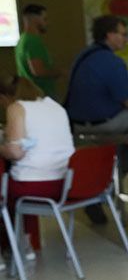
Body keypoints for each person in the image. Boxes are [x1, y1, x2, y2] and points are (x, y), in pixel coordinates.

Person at [0, 76, 74, 254]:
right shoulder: (55, 106)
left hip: (34, 187)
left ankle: (9, 246)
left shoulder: (16, 108)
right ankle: (27, 242)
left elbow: (16, 152)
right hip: (67, 184)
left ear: (4, 98)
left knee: (4, 191)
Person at [64, 15, 128, 134]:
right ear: (110, 35)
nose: (126, 39)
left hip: (76, 123)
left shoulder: (83, 54)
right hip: (103, 124)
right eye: (123, 35)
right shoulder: (113, 62)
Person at [15, 4, 61, 99]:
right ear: (35, 20)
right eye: (45, 19)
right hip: (40, 96)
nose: (48, 23)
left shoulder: (22, 40)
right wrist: (59, 72)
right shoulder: (32, 41)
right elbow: (38, 71)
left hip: (32, 96)